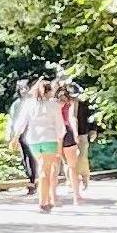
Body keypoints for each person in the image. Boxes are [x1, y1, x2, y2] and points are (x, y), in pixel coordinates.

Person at [22, 76, 66, 211]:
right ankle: (44, 201)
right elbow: (60, 125)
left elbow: (22, 121)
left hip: (34, 140)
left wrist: (15, 137)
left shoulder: (29, 104)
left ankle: (43, 200)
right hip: (50, 139)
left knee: (41, 169)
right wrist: (60, 140)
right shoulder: (53, 105)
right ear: (49, 91)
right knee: (45, 171)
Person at [57, 81, 93, 205]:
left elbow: (73, 119)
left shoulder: (53, 104)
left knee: (67, 164)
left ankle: (72, 192)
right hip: (65, 133)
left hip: (59, 134)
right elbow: (72, 119)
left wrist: (76, 133)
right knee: (68, 164)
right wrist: (75, 133)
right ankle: (74, 194)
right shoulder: (67, 104)